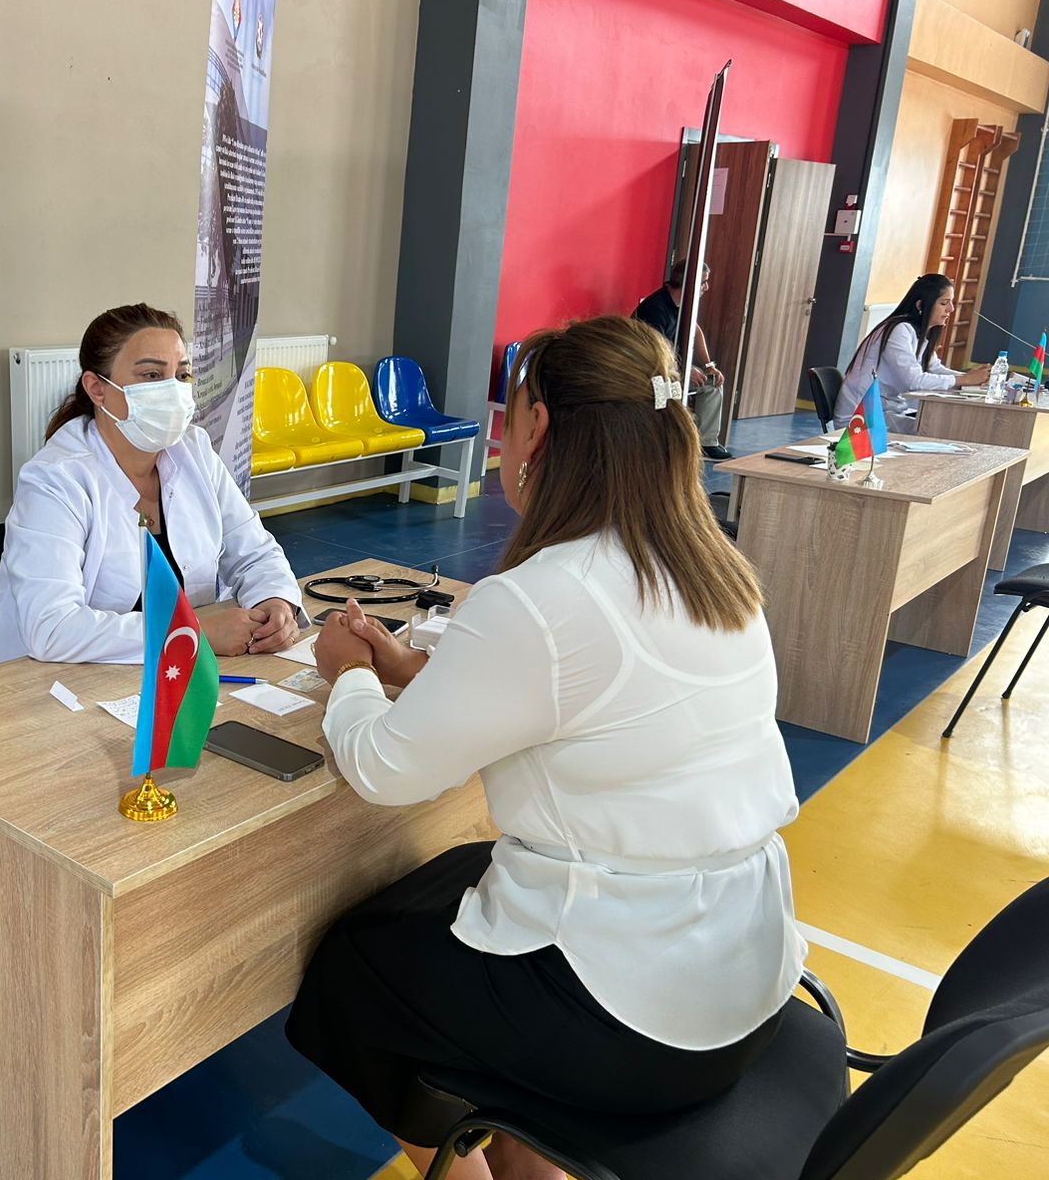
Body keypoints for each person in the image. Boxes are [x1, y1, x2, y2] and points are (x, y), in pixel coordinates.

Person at [288, 315, 806, 1180]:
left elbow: (383, 769)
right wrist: (418, 668)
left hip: (635, 1017)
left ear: (541, 430)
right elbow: (587, 699)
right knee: (459, 887)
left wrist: (346, 671)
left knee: (355, 972)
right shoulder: (715, 571)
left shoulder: (541, 595)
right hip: (746, 973)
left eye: (511, 413)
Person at [0, 303, 306, 668]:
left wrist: (275, 601)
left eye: (181, 375)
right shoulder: (55, 479)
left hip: (169, 672)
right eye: (151, 375)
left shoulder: (193, 451)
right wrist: (193, 631)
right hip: (49, 683)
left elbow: (254, 552)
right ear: (97, 389)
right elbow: (52, 629)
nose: (173, 391)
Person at [835, 273, 990, 432]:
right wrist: (965, 379)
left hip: (888, 409)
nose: (951, 309)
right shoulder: (899, 330)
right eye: (944, 303)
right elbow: (913, 380)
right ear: (920, 306)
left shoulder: (918, 333)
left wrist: (972, 379)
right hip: (863, 418)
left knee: (940, 425)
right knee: (936, 430)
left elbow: (934, 368)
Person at [632, 259, 730, 460]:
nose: (706, 287)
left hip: (673, 365)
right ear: (689, 283)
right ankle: (668, 443)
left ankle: (706, 443)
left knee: (712, 383)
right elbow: (653, 353)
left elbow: (695, 329)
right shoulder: (655, 309)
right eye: (703, 282)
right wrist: (685, 369)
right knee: (674, 389)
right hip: (650, 367)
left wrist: (708, 365)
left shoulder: (684, 304)